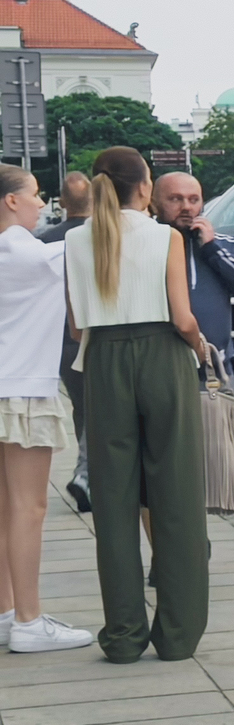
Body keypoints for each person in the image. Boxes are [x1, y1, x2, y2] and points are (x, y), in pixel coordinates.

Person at [66, 148, 212, 664]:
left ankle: (124, 635)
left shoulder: (75, 240)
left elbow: (77, 327)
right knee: (176, 495)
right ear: (145, 188)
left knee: (113, 502)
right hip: (162, 356)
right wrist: (200, 349)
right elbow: (183, 317)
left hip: (103, 361)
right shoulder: (165, 237)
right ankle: (177, 634)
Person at [0, 166, 96, 653]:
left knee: (4, 510)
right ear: (11, 202)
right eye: (34, 196)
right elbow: (88, 247)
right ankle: (30, 622)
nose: (43, 205)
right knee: (29, 508)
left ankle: (6, 612)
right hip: (22, 389)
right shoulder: (22, 250)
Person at [153, 172, 234, 358]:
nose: (186, 207)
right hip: (164, 363)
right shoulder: (143, 245)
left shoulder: (222, 245)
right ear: (154, 203)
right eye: (175, 199)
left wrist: (212, 249)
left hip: (215, 365)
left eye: (194, 200)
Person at [35, 174, 91, 512]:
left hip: (62, 340)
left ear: (63, 201)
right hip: (96, 333)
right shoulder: (102, 238)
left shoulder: (45, 241)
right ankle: (89, 475)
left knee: (83, 408)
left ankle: (87, 473)